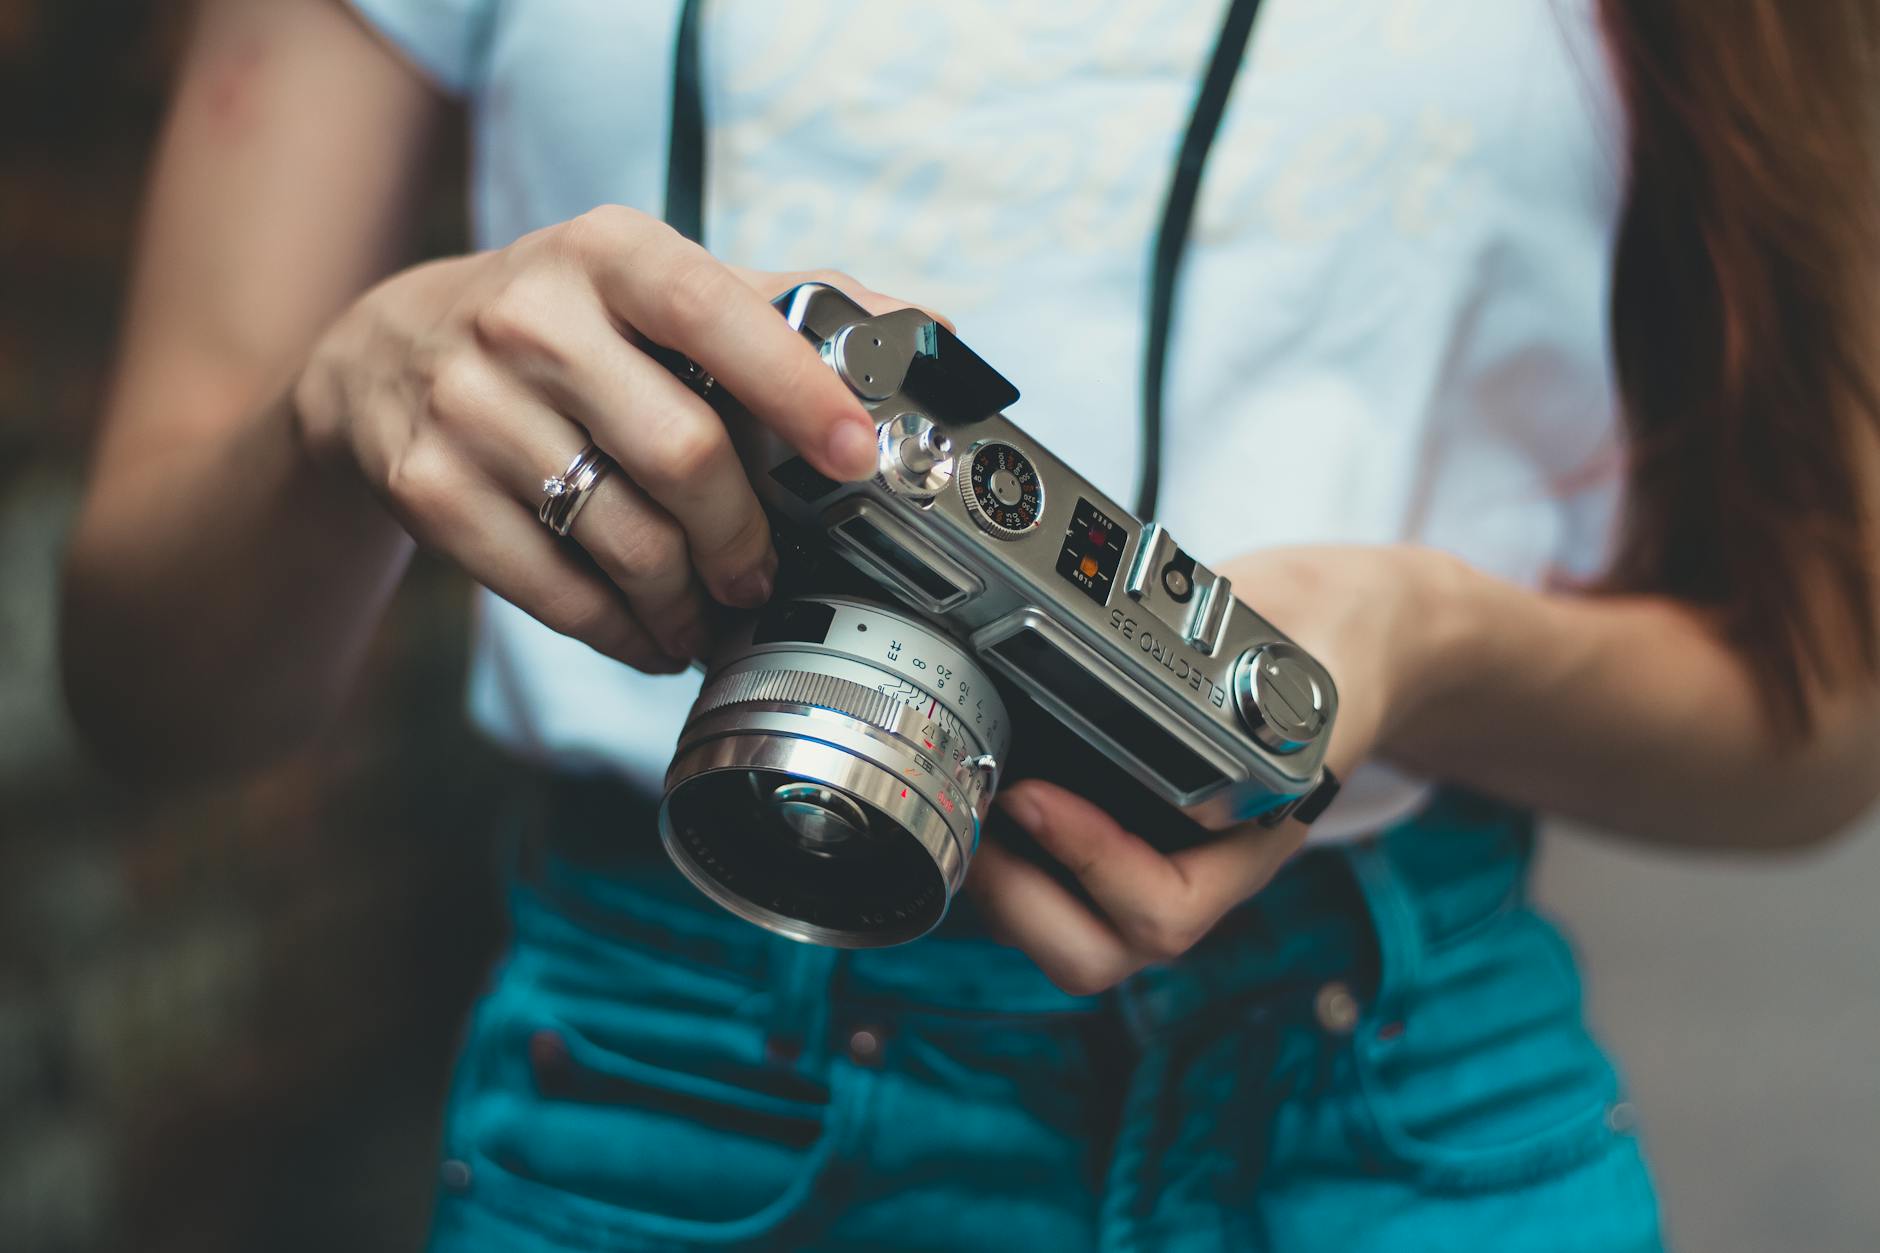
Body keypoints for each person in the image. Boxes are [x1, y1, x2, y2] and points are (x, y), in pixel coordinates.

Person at [61, 0, 1880, 1248]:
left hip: (1395, 1087)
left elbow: (1825, 728)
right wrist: (345, 402)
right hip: (674, 1063)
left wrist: (1420, 643)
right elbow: (147, 692)